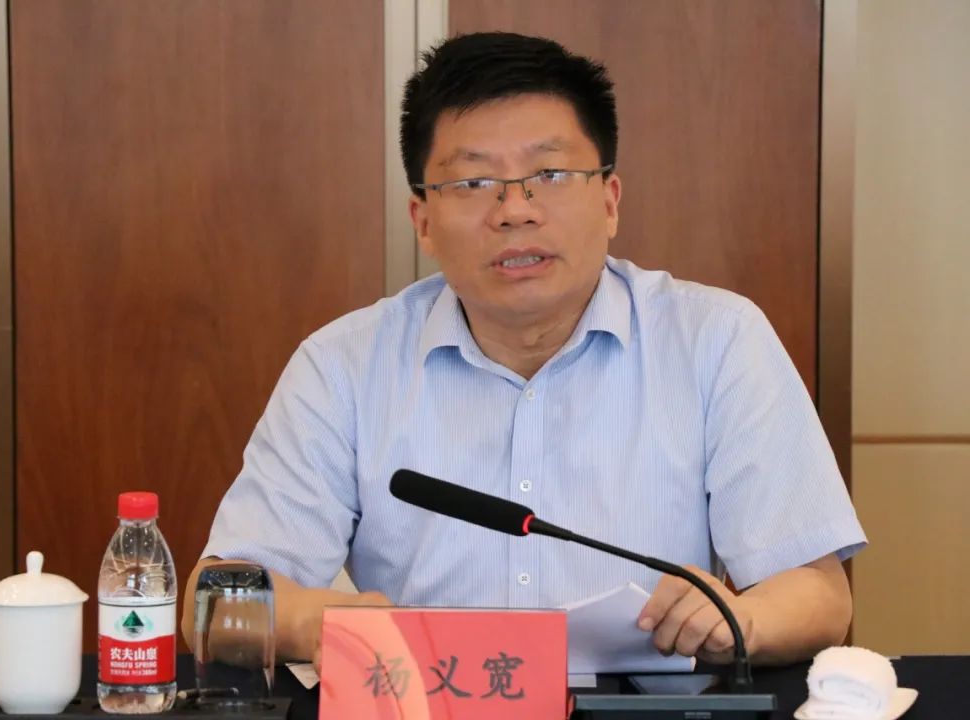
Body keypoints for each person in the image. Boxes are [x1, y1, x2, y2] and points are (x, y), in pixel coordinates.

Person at [182, 32, 865, 671]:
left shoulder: (716, 340)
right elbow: (212, 604)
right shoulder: (343, 366)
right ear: (423, 220)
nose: (515, 210)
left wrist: (736, 621)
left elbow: (818, 593)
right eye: (473, 183)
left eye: (551, 174)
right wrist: (327, 623)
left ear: (610, 201)